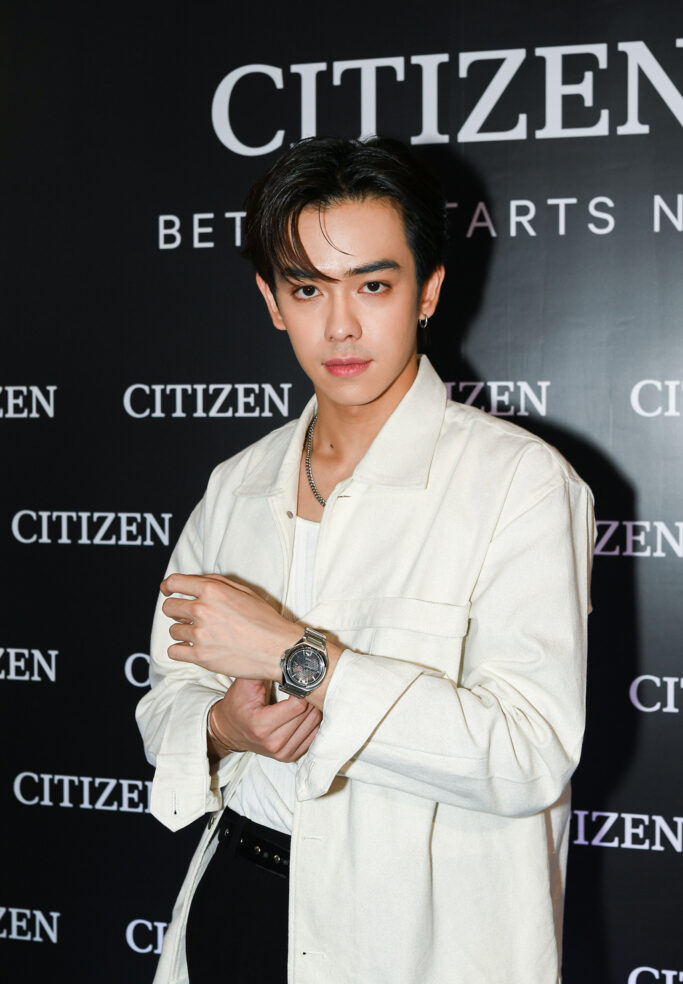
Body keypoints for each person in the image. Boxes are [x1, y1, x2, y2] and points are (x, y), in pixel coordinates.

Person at [136, 136, 594, 984]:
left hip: (415, 938)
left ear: (428, 291)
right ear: (272, 300)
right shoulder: (235, 485)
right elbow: (168, 693)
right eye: (308, 289)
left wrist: (297, 657)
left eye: (373, 286)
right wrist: (221, 728)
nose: (340, 326)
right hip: (237, 899)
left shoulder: (518, 483)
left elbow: (528, 754)